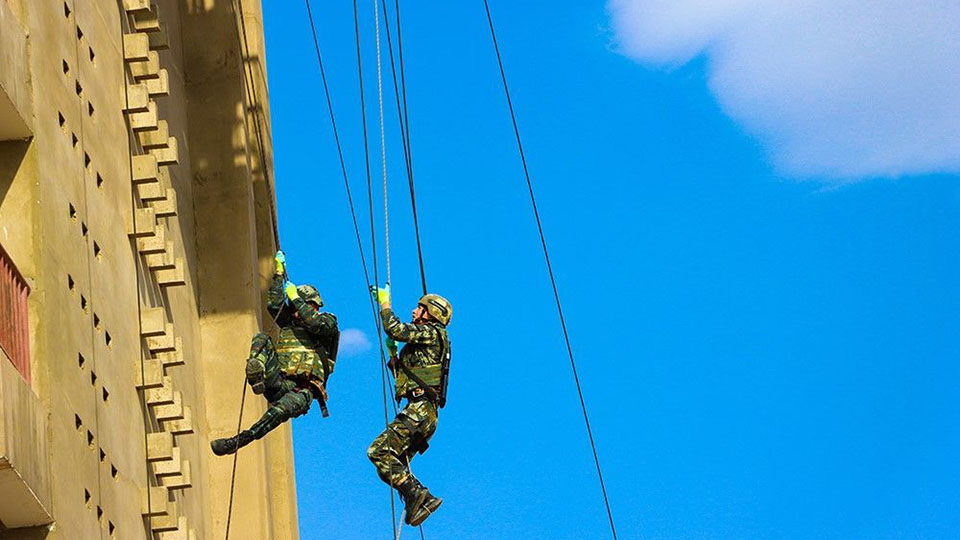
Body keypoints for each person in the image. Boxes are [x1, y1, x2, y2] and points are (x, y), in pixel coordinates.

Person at [211, 250, 339, 456]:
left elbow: (316, 324)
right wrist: (278, 273)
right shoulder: (289, 324)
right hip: (277, 381)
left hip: (302, 390)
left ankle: (241, 440)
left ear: (313, 306)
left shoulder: (328, 322)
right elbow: (274, 304)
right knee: (261, 339)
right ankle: (257, 375)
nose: (296, 311)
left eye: (302, 306)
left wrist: (296, 298)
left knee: (279, 412)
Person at [367, 285, 453, 526]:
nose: (414, 312)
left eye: (420, 308)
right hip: (425, 414)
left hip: (419, 410)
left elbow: (394, 329)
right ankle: (420, 502)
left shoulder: (431, 332)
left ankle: (417, 494)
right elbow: (415, 376)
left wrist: (385, 305)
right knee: (392, 462)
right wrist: (395, 360)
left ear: (431, 314)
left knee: (379, 451)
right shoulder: (433, 341)